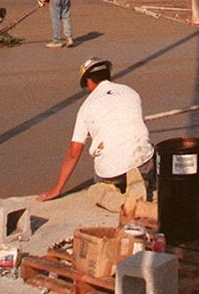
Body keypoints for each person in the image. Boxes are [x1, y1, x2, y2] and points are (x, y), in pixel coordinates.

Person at [38, 58, 155, 202]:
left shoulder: (86, 107)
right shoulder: (130, 92)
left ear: (89, 82)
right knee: (146, 151)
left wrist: (57, 189)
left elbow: (73, 153)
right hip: (143, 163)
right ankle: (139, 181)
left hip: (112, 172)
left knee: (96, 189)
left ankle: (120, 200)